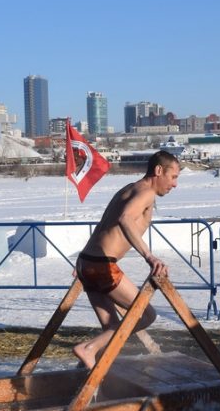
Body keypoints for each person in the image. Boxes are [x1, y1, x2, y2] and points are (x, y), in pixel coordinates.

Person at [72, 150, 181, 369]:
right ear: (159, 171)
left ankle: (87, 369)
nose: (175, 184)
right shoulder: (146, 192)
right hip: (103, 265)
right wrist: (149, 256)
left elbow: (105, 225)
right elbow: (125, 219)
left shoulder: (129, 189)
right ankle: (88, 349)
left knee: (112, 326)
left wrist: (83, 264)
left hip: (87, 262)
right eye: (174, 177)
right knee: (146, 315)